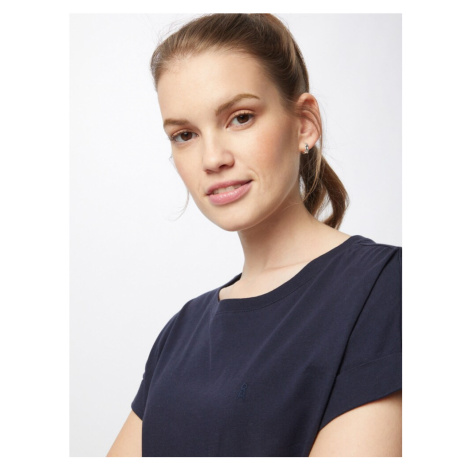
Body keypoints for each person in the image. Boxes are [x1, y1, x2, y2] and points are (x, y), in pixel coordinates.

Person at [107, 13, 402, 457]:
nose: (212, 158)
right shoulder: (181, 332)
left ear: (304, 124)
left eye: (240, 118)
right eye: (185, 135)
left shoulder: (389, 288)